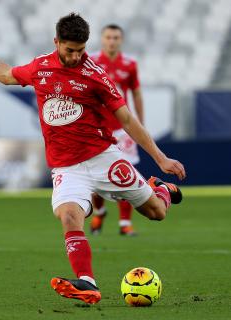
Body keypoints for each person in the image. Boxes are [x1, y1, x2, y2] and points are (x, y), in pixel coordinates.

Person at [0, 13, 186, 305]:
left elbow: (127, 119)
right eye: (70, 50)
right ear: (57, 43)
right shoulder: (40, 67)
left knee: (156, 213)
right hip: (67, 167)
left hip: (103, 158)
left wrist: (160, 157)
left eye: (81, 50)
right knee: (68, 216)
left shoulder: (95, 75)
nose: (76, 56)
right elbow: (5, 74)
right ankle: (88, 283)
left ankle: (162, 189)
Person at [90, 24, 144, 236]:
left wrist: (140, 122)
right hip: (98, 129)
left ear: (121, 40)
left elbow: (137, 93)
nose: (112, 41)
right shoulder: (91, 62)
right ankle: (99, 212)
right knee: (95, 177)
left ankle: (124, 223)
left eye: (116, 37)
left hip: (123, 129)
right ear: (102, 39)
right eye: (108, 37)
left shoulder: (130, 65)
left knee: (127, 174)